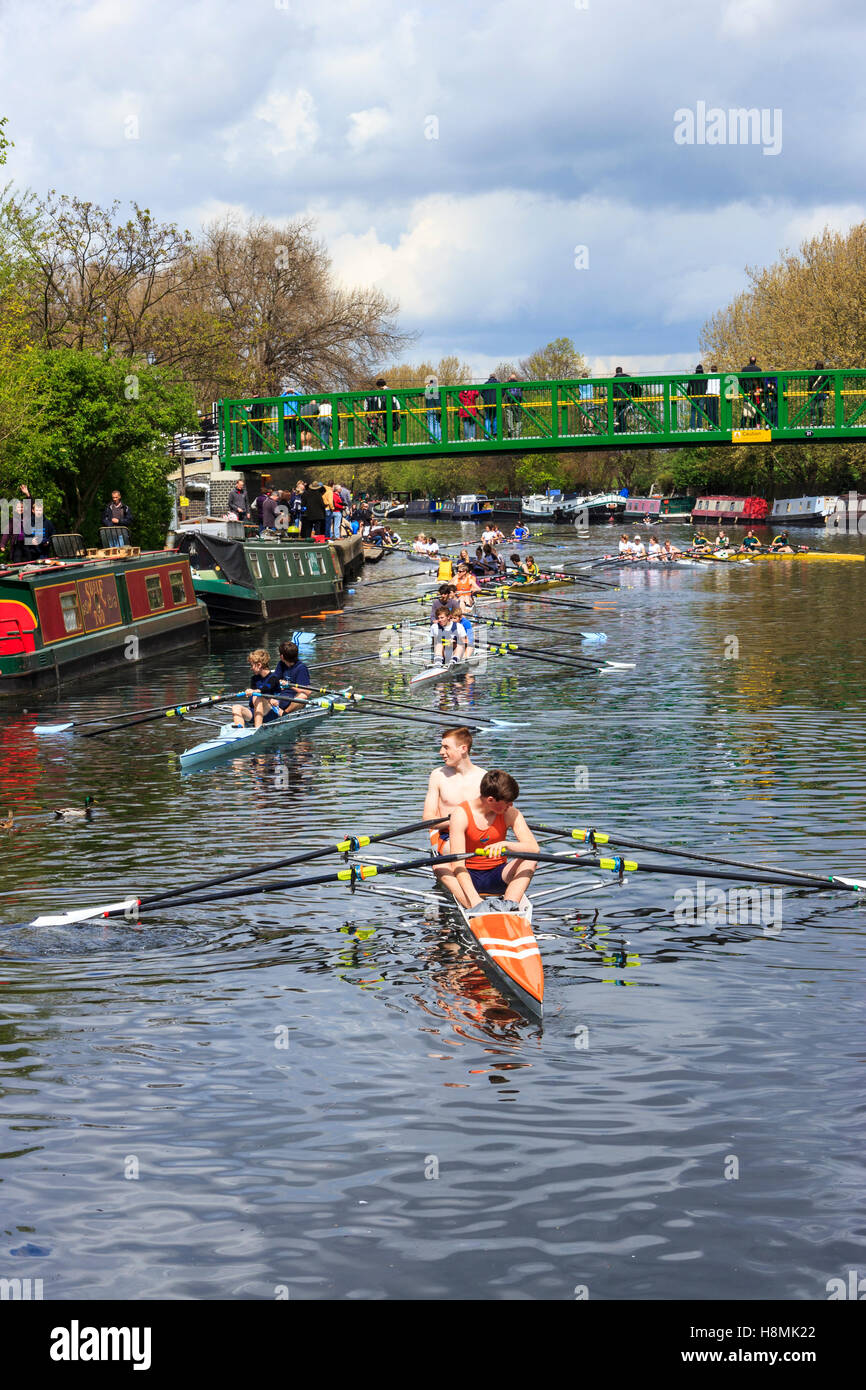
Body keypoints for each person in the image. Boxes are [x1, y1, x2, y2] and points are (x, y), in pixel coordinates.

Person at [438, 769, 539, 915]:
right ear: (491, 800)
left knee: (530, 859)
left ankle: (509, 906)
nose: (510, 806)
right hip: (468, 875)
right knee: (439, 864)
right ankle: (476, 907)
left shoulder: (510, 813)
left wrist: (506, 844)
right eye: (507, 803)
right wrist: (474, 899)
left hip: (498, 875)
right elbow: (458, 864)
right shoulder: (461, 815)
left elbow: (534, 849)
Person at [423, 726, 487, 879]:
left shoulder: (484, 777)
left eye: (446, 747)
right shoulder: (438, 776)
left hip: (479, 836)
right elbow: (428, 820)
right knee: (458, 848)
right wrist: (459, 822)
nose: (440, 752)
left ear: (463, 749)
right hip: (447, 837)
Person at [231, 649, 283, 729]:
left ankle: (257, 729)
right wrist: (249, 693)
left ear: (259, 665)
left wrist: (254, 692)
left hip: (271, 713)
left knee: (258, 696)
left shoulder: (274, 678)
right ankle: (239, 731)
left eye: (252, 665)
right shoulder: (254, 679)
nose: (251, 668)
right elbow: (252, 702)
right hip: (255, 712)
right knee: (236, 707)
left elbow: (266, 688)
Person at [272, 640, 311, 715]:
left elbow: (308, 692)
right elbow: (274, 680)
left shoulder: (301, 668)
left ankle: (284, 714)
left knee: (303, 696)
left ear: (282, 657)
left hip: (292, 701)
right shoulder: (281, 664)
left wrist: (289, 685)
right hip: (280, 698)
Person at [808, 361, 829, 427]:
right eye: (818, 366)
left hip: (819, 394)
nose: (819, 367)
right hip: (816, 393)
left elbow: (827, 385)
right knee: (814, 408)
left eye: (820, 366)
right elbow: (810, 384)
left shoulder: (824, 375)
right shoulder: (816, 374)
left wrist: (827, 394)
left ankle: (818, 422)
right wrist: (828, 394)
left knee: (819, 407)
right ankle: (816, 422)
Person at [687, 364, 706, 431]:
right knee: (700, 411)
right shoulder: (705, 377)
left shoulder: (692, 377)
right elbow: (706, 387)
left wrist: (688, 394)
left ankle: (692, 427)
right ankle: (699, 427)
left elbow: (689, 387)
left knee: (693, 412)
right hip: (702, 395)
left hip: (694, 395)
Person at [424, 375, 442, 442]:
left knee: (431, 424)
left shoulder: (427, 390)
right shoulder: (438, 389)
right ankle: (438, 438)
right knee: (437, 424)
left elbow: (422, 394)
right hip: (437, 408)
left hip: (429, 408)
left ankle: (432, 438)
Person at [481, 374, 499, 438]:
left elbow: (482, 393)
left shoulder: (485, 384)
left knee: (487, 419)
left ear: (489, 377)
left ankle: (487, 434)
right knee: (495, 418)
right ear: (495, 377)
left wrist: (485, 399)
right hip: (496, 403)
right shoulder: (498, 383)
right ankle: (495, 432)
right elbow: (502, 392)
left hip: (487, 404)